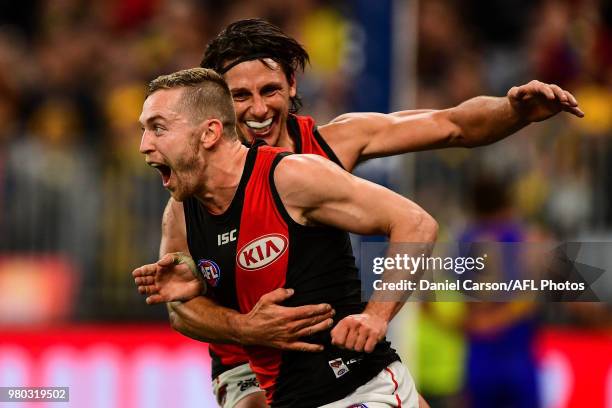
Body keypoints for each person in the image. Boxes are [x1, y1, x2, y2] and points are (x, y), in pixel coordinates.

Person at [134, 18, 584, 408]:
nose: (257, 109)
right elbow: (181, 308)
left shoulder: (330, 147)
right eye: (240, 96)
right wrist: (246, 326)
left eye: (270, 90)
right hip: (245, 359)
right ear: (216, 108)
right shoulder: (186, 197)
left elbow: (453, 125)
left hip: (340, 357)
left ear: (292, 86)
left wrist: (513, 111)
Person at [137, 67, 438, 407]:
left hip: (360, 391)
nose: (144, 145)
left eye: (157, 128)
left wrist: (377, 315)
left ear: (209, 133)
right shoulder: (180, 211)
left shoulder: (289, 176)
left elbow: (416, 223)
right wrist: (241, 326)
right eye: (144, 130)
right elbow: (180, 311)